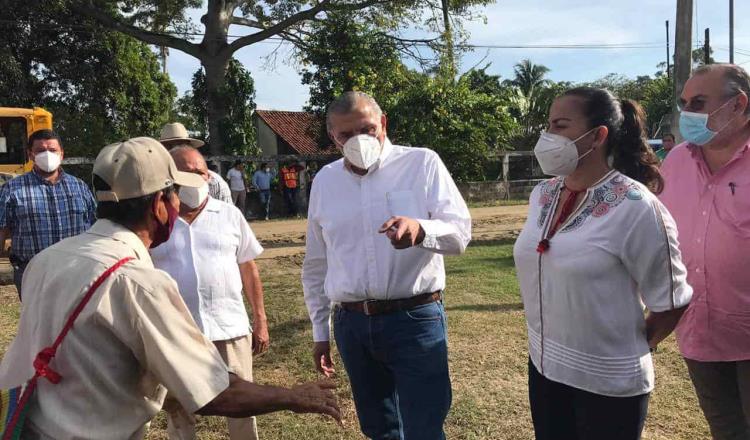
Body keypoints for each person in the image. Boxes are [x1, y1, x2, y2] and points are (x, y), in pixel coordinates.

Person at [0, 137, 339, 439]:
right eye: (175, 194)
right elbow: (212, 392)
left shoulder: (47, 259)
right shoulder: (138, 282)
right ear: (159, 205)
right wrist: (294, 396)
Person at [513, 87, 693, 440]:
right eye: (548, 125)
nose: (548, 136)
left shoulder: (636, 207)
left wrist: (626, 349)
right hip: (545, 368)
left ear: (598, 136)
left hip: (608, 385)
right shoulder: (543, 195)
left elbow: (671, 302)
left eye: (560, 125)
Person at [302, 91, 471, 440]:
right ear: (333, 137)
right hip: (352, 323)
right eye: (346, 135)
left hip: (414, 320)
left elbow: (460, 233)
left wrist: (422, 229)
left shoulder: (421, 164)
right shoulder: (325, 181)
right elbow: (317, 262)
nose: (358, 141)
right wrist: (321, 331)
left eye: (367, 129)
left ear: (383, 124)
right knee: (378, 429)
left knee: (424, 428)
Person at [151, 146, 269, 439]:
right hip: (177, 332)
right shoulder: (156, 221)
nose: (195, 178)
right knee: (178, 408)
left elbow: (249, 269)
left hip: (229, 328)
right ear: (171, 178)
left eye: (200, 172)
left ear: (209, 175)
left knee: (243, 402)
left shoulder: (229, 215)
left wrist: (261, 320)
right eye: (186, 172)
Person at [660, 63, 750, 440]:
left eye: (699, 102)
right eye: (684, 103)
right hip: (699, 329)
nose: (688, 114)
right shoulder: (678, 160)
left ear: (739, 105)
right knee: (725, 429)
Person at [0, 129, 96, 297]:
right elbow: (1, 231)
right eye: (40, 150)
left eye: (52, 150)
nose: (47, 155)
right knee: (39, 322)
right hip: (32, 273)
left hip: (76, 270)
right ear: (31, 155)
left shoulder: (79, 187)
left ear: (61, 154)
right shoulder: (12, 190)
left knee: (77, 320)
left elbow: (95, 225)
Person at [159, 122, 232, 204]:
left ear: (190, 148)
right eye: (169, 147)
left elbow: (228, 215)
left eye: (180, 146)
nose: (175, 152)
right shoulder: (154, 183)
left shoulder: (214, 183)